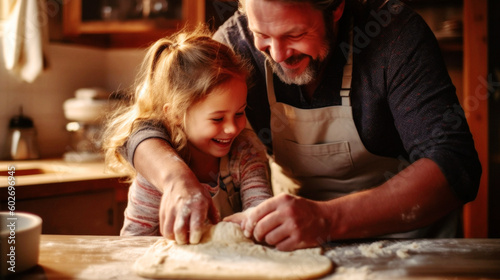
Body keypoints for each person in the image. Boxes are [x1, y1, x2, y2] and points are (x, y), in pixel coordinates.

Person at [121, 0, 481, 251]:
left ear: (336, 7)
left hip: (408, 243)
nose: (277, 54)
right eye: (263, 34)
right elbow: (146, 129)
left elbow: (455, 164)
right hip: (298, 242)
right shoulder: (237, 43)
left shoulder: (393, 34)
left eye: (293, 35)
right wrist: (175, 179)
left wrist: (327, 219)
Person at [103, 28, 273, 244]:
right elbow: (133, 242)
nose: (232, 128)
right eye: (217, 119)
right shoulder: (155, 173)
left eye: (239, 113)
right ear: (175, 114)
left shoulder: (244, 156)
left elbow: (260, 215)